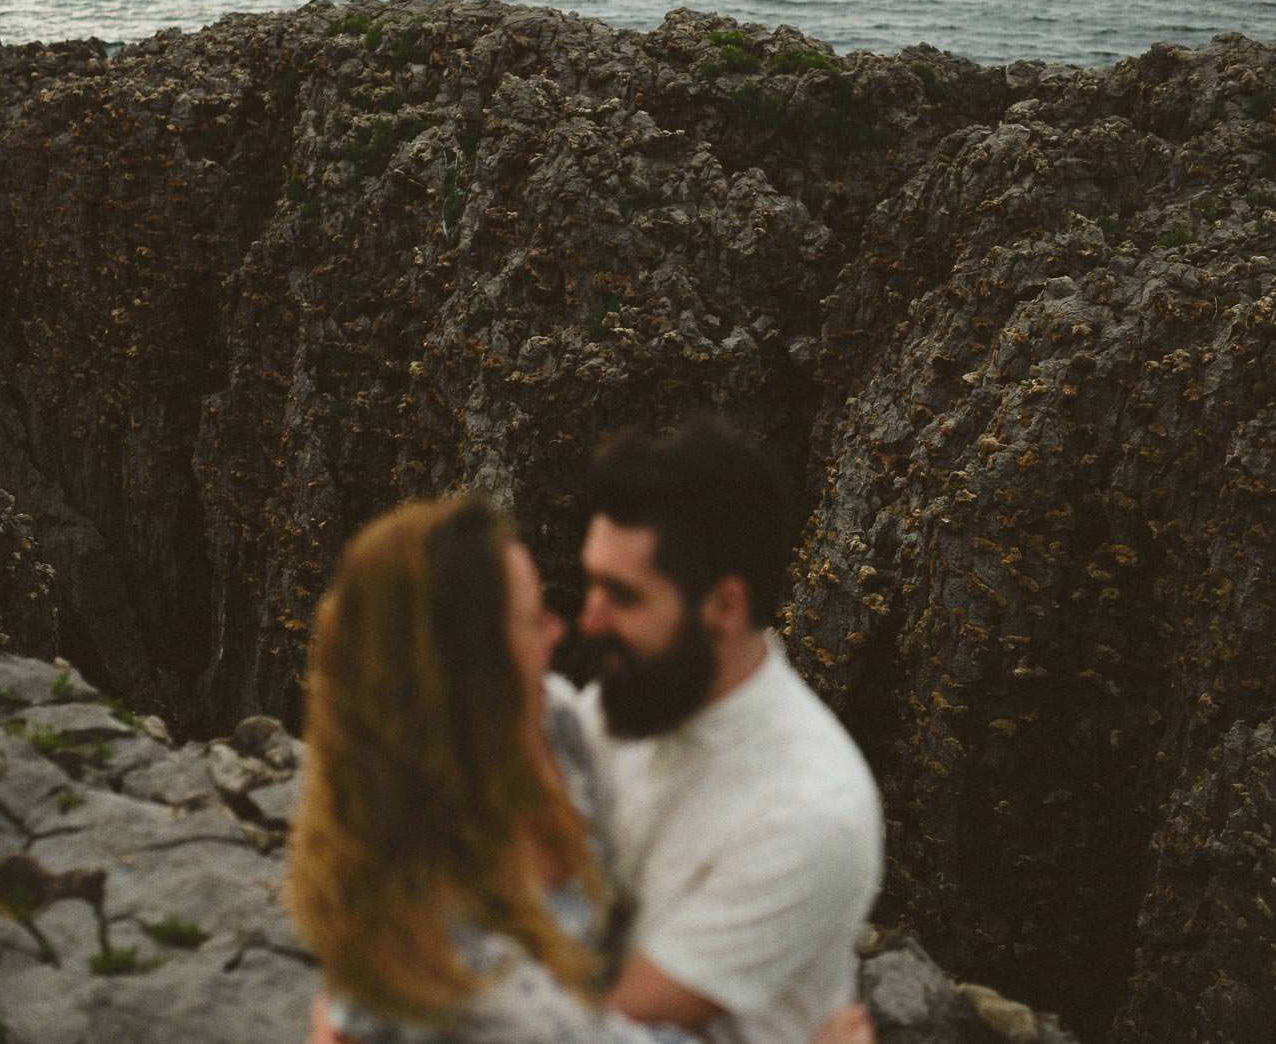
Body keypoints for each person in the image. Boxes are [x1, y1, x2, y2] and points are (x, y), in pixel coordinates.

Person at [287, 493, 877, 1044]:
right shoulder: (472, 974)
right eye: (533, 621)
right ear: (478, 679)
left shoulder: (554, 726)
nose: (562, 629)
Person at [568, 417, 883, 1044]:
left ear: (725, 606)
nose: (588, 620)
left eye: (622, 596)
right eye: (590, 583)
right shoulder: (626, 699)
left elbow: (604, 1016)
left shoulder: (807, 811)